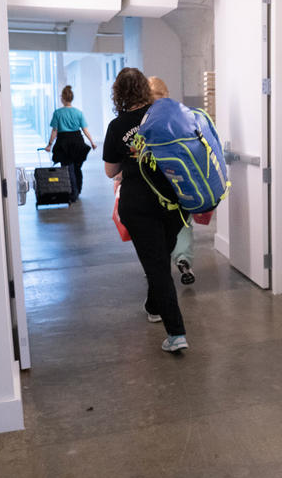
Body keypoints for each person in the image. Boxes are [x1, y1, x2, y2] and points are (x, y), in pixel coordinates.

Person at [103, 68, 189, 352]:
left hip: (138, 204)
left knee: (156, 265)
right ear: (144, 88)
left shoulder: (117, 126)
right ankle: (154, 306)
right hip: (175, 201)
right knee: (159, 258)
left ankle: (176, 334)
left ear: (118, 93)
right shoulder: (166, 115)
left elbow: (109, 171)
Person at [148, 76, 195, 285]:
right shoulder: (182, 114)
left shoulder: (145, 119)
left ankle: (157, 268)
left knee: (154, 227)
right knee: (182, 223)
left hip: (152, 184)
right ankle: (183, 259)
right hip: (179, 180)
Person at [44, 85, 97, 203]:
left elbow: (55, 130)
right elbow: (85, 129)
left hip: (64, 142)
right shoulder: (78, 113)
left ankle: (73, 192)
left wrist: (49, 144)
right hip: (78, 140)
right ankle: (78, 190)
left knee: (68, 168)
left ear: (63, 98)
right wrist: (92, 142)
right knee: (77, 168)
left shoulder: (58, 113)